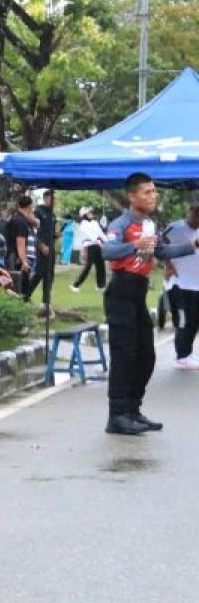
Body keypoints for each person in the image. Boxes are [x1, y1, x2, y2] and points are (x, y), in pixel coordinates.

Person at [100, 173, 199, 435]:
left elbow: (161, 252)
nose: (153, 196)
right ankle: (117, 415)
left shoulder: (149, 224)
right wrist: (134, 245)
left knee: (146, 355)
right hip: (121, 291)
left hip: (138, 293)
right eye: (147, 192)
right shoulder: (121, 224)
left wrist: (193, 244)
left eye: (154, 191)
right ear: (132, 196)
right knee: (124, 355)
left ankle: (132, 409)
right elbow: (108, 251)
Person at [162, 203, 199, 370]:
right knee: (183, 320)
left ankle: (187, 354)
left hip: (196, 284)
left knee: (194, 321)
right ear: (190, 212)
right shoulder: (175, 228)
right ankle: (181, 356)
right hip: (178, 283)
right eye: (196, 214)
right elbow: (159, 245)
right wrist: (168, 264)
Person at [25, 190, 57, 310]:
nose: (54, 201)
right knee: (39, 273)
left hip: (51, 247)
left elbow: (50, 231)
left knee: (49, 275)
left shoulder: (52, 213)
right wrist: (41, 245)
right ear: (46, 198)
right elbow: (34, 231)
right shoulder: (38, 211)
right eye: (52, 198)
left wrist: (55, 234)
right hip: (41, 248)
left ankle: (45, 301)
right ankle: (26, 295)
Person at [4, 196, 36, 298]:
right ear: (29, 206)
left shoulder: (15, 217)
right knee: (18, 283)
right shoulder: (21, 221)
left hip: (13, 255)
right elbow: (20, 243)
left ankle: (23, 301)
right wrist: (24, 261)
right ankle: (20, 302)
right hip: (15, 257)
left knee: (20, 283)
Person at [71, 207, 106, 291]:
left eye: (90, 212)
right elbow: (90, 235)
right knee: (88, 266)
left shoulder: (94, 222)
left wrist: (107, 241)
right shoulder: (83, 224)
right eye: (89, 212)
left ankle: (101, 285)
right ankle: (75, 285)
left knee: (101, 264)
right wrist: (98, 241)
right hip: (89, 246)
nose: (91, 213)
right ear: (84, 215)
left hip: (97, 245)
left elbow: (100, 233)